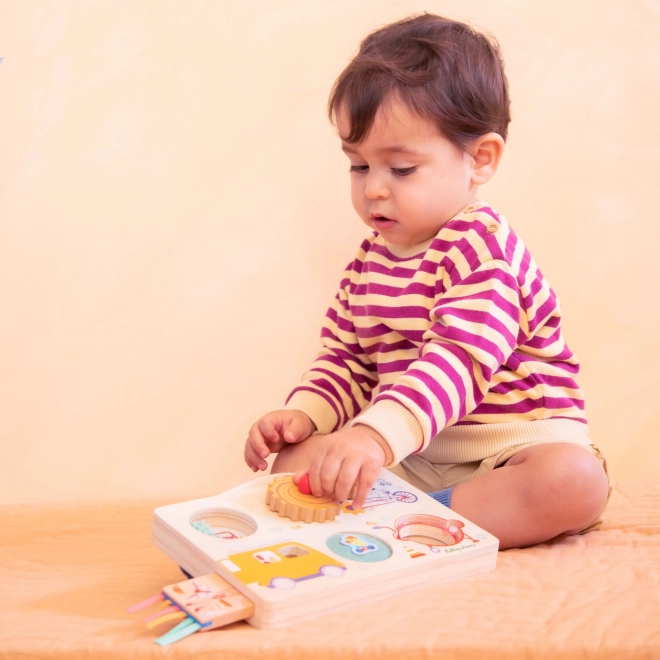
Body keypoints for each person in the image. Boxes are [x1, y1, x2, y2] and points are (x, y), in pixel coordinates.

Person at [243, 13, 609, 550]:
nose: (374, 190)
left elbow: (458, 359)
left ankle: (413, 528)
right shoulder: (370, 260)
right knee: (295, 458)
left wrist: (372, 435)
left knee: (573, 481)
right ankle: (408, 515)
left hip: (507, 447)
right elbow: (346, 359)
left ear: (480, 159)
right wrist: (304, 414)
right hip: (412, 451)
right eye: (358, 166)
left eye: (401, 169)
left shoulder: (482, 247)